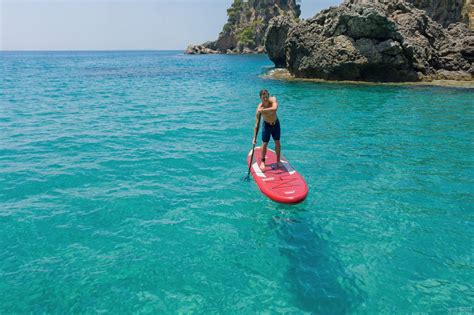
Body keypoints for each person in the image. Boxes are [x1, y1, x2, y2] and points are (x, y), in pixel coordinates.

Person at [252, 89, 282, 171]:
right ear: (260, 98)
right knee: (264, 144)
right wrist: (254, 138)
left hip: (276, 124)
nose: (265, 98)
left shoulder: (273, 100)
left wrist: (264, 110)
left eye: (266, 96)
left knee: (277, 142)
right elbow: (257, 125)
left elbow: (275, 108)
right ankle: (262, 162)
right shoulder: (259, 109)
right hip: (266, 125)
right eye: (263, 97)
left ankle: (278, 161)